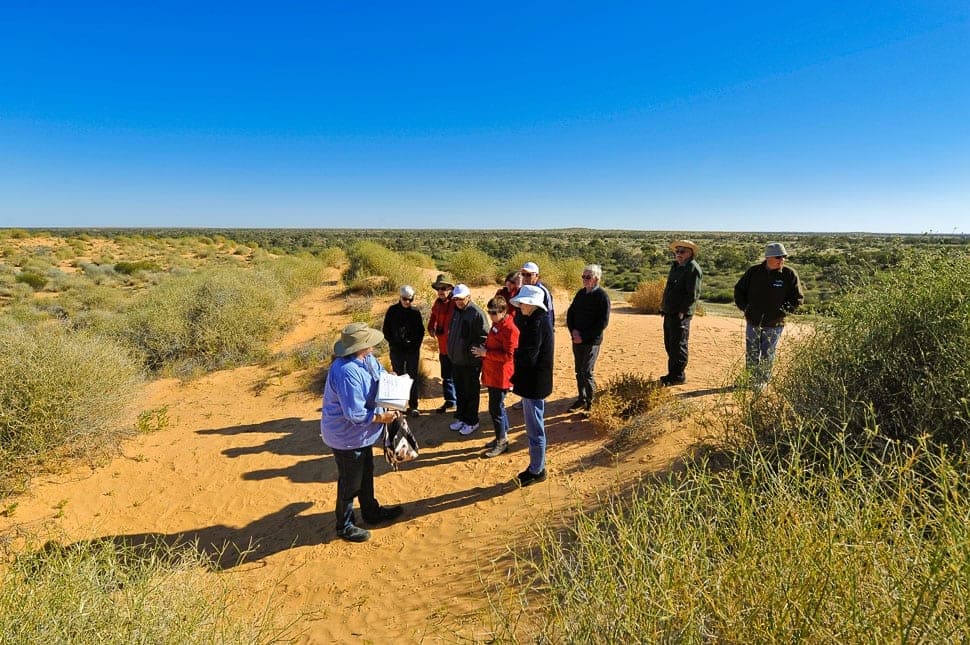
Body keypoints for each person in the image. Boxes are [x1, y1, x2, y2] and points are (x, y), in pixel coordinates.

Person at [321, 323, 404, 543]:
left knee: (366, 473)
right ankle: (344, 526)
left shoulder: (367, 359)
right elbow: (355, 414)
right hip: (346, 437)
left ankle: (371, 512)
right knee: (350, 482)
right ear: (360, 346)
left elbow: (380, 373)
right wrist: (381, 418)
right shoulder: (346, 371)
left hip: (362, 435)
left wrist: (390, 378)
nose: (373, 346)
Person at [734, 242, 804, 388]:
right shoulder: (754, 272)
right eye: (778, 257)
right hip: (753, 321)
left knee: (768, 353)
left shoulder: (789, 274)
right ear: (768, 257)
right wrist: (745, 309)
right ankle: (750, 379)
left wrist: (781, 313)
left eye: (784, 257)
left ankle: (762, 381)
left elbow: (797, 299)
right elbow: (739, 290)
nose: (782, 260)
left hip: (774, 324)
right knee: (752, 351)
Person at [509, 285, 554, 486]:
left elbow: (528, 356)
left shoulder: (537, 323)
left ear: (532, 304)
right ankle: (536, 466)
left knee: (535, 428)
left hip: (534, 383)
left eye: (523, 302)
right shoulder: (533, 320)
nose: (520, 306)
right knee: (533, 425)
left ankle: (537, 469)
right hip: (532, 381)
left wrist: (512, 354)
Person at [471, 296, 519, 457]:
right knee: (498, 407)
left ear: (503, 311)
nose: (490, 315)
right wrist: (484, 348)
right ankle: (502, 436)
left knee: (495, 409)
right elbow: (493, 343)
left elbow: (509, 356)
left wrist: (486, 353)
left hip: (501, 376)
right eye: (489, 312)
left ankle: (501, 442)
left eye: (494, 312)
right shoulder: (497, 325)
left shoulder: (510, 329)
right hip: (492, 373)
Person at [565, 264, 611, 411]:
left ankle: (591, 404)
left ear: (596, 279)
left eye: (588, 277)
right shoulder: (581, 293)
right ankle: (581, 398)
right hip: (577, 339)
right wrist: (573, 332)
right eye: (583, 277)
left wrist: (583, 336)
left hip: (592, 341)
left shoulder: (602, 297)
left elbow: (602, 323)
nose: (584, 279)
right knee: (579, 371)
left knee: (587, 371)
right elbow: (570, 314)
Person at [446, 284, 489, 435]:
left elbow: (484, 337)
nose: (458, 301)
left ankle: (472, 421)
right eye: (456, 298)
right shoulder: (456, 312)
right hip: (457, 360)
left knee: (471, 392)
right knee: (460, 391)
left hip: (470, 363)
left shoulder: (476, 313)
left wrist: (473, 353)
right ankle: (462, 417)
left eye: (461, 298)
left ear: (468, 297)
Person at [659, 240, 703, 386]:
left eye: (682, 252)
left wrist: (683, 311)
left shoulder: (693, 268)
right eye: (677, 251)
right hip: (669, 311)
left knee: (679, 345)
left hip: (680, 314)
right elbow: (669, 288)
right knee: (670, 344)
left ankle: (678, 375)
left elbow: (693, 294)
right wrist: (663, 306)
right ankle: (672, 374)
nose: (678, 254)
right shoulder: (676, 266)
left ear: (690, 253)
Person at [382, 285, 425, 416]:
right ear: (400, 297)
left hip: (412, 351)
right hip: (397, 351)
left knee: (412, 377)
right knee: (398, 378)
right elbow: (386, 330)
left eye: (410, 299)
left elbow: (420, 332)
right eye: (405, 299)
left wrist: (414, 346)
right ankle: (399, 407)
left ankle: (413, 406)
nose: (407, 302)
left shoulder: (415, 312)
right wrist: (394, 344)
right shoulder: (392, 311)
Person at [427, 274, 457, 413]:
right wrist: (431, 326)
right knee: (446, 376)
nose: (440, 291)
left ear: (450, 288)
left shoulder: (455, 303)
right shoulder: (438, 303)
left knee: (457, 376)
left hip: (455, 347)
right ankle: (450, 401)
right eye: (438, 288)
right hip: (443, 347)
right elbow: (433, 315)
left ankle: (460, 403)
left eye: (444, 288)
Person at [519, 261, 554, 327]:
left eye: (529, 275)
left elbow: (549, 312)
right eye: (523, 274)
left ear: (537, 276)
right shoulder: (523, 289)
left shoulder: (543, 291)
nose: (525, 277)